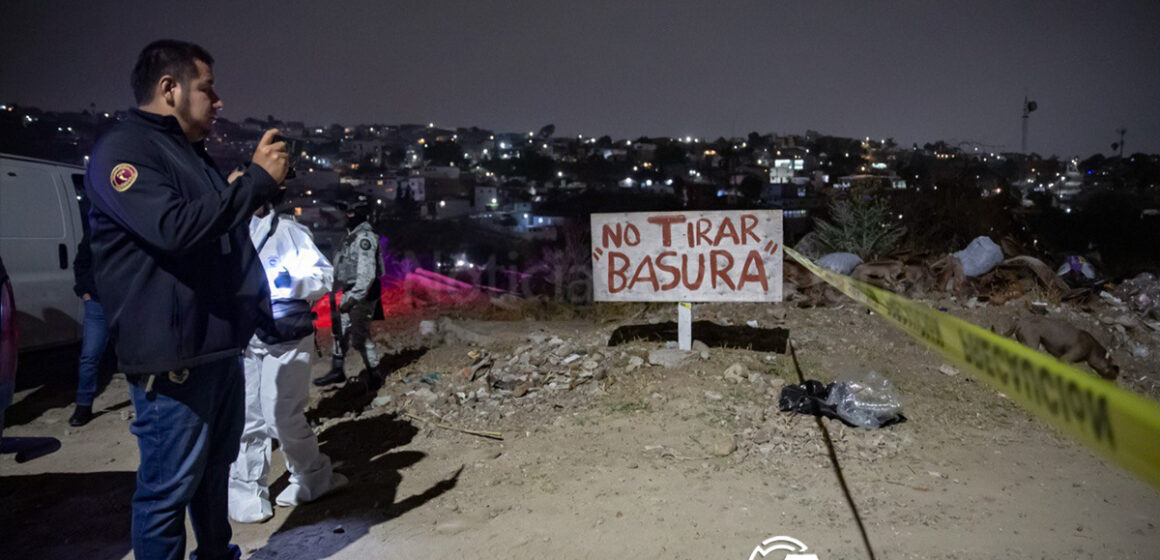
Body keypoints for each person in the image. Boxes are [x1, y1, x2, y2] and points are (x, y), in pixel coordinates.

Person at [85, 39, 288, 560]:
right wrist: (254, 184)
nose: (218, 101)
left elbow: (217, 233)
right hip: (173, 358)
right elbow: (174, 229)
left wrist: (249, 190)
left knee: (212, 476)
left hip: (215, 347)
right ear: (169, 89)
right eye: (207, 88)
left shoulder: (190, 156)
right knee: (167, 492)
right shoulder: (125, 151)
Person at [227, 198, 347, 523]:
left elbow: (323, 275)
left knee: (280, 414)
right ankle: (245, 492)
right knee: (246, 417)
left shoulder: (289, 232)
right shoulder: (223, 233)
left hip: (285, 333)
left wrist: (291, 285)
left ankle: (313, 477)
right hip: (242, 336)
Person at [313, 201, 385, 389]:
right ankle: (337, 370)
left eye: (350, 213)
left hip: (362, 293)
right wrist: (333, 289)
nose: (346, 216)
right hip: (350, 290)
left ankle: (375, 378)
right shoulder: (352, 236)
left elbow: (367, 273)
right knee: (340, 331)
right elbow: (344, 266)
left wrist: (353, 298)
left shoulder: (365, 238)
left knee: (360, 336)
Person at [68, 199, 109, 427]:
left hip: (125, 304)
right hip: (97, 303)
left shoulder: (134, 227)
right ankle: (83, 406)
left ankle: (144, 403)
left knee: (132, 357)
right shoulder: (94, 232)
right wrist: (84, 292)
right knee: (90, 356)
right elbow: (80, 263)